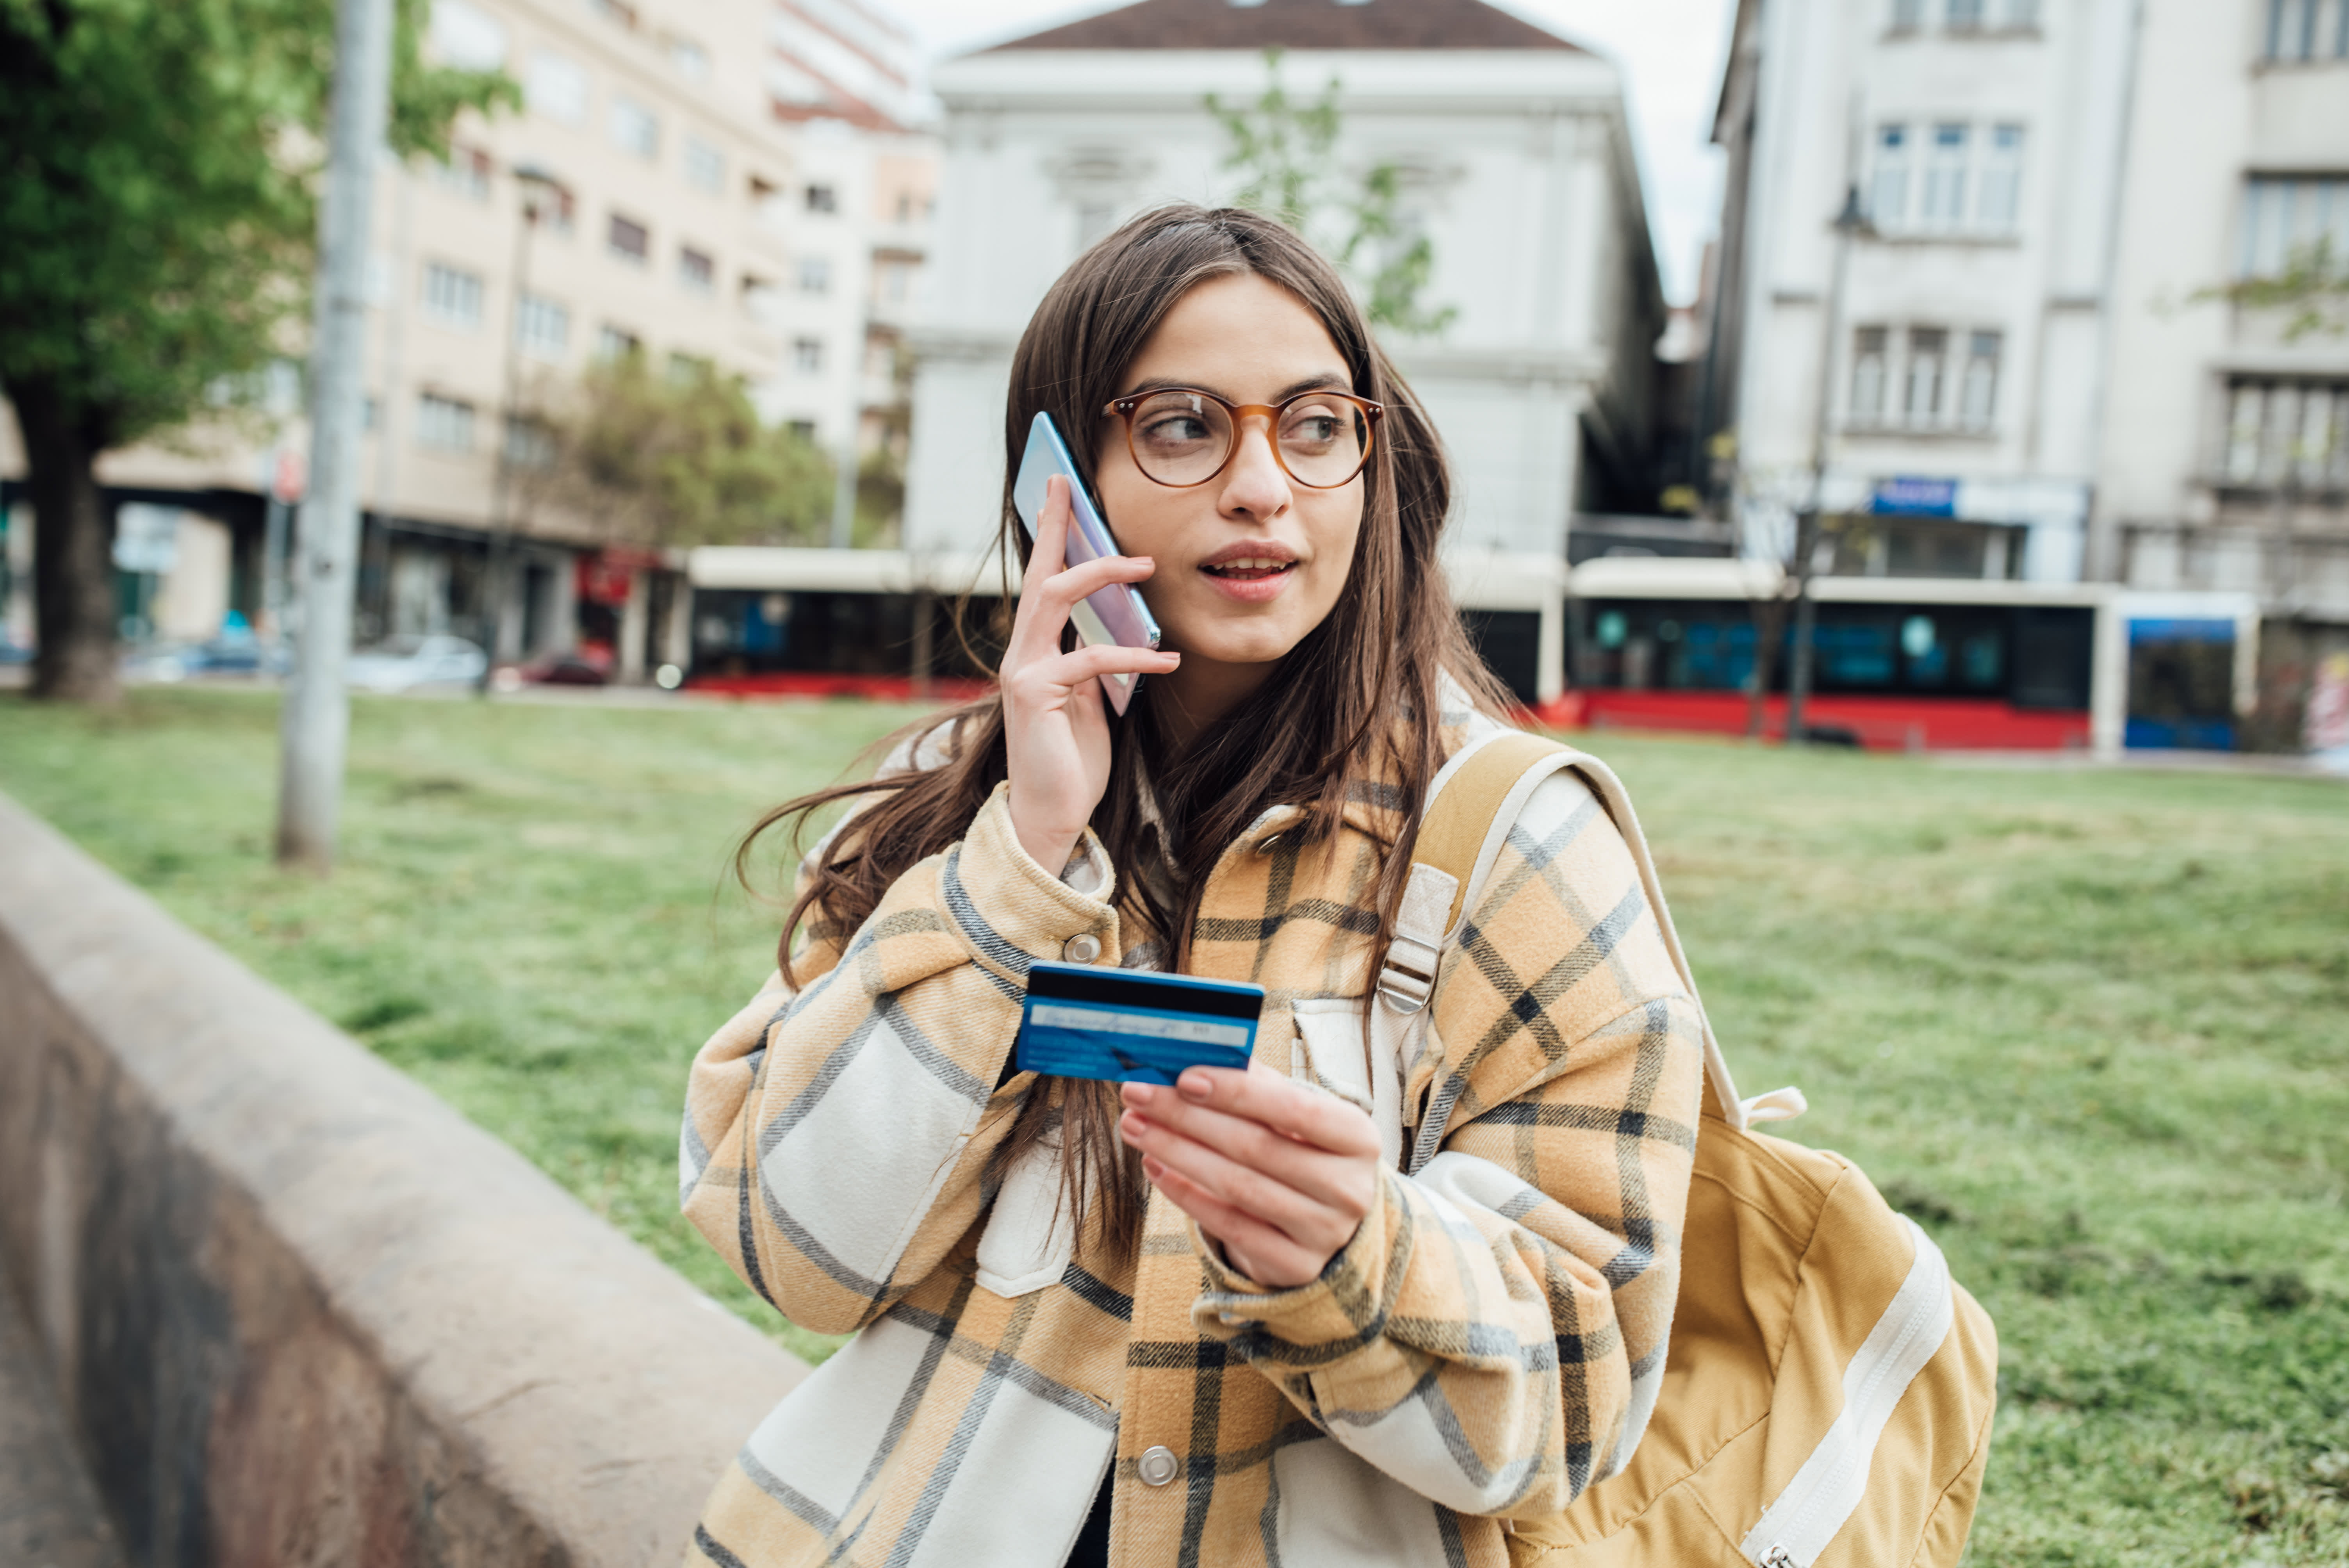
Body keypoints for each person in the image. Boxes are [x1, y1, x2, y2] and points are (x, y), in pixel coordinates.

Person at [677, 205, 1705, 1568]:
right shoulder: (954, 809)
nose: (1264, 486)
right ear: (1062, 482)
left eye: (1316, 424)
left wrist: (1354, 1254)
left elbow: (1583, 1410)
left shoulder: (1514, 839)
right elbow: (788, 1251)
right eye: (1181, 425)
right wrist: (1023, 867)